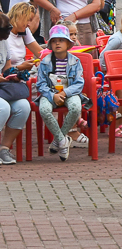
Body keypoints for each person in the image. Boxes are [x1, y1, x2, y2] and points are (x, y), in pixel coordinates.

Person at [33, 24, 84, 161]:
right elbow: (41, 84)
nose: (57, 43)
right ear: (50, 44)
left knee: (75, 107)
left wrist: (64, 93)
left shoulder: (75, 61)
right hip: (49, 93)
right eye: (54, 41)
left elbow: (79, 83)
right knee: (44, 109)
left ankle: (58, 140)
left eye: (61, 40)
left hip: (69, 93)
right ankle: (63, 141)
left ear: (68, 43)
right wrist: (52, 95)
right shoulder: (45, 62)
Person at [0, 11, 31, 165]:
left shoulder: (4, 41)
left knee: (23, 107)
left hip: (2, 87)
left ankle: (4, 148)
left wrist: (13, 75)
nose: (7, 34)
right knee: (3, 108)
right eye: (4, 31)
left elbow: (6, 66)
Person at [3, 3, 42, 74]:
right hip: (9, 75)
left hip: (23, 73)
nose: (29, 24)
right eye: (28, 20)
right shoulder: (4, 34)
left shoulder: (24, 30)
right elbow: (4, 71)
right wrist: (20, 67)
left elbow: (40, 53)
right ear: (20, 17)